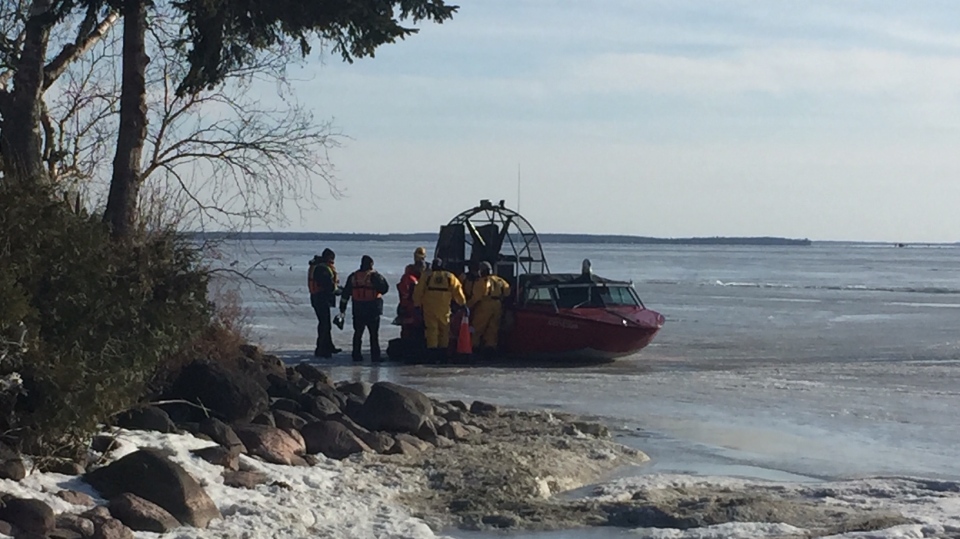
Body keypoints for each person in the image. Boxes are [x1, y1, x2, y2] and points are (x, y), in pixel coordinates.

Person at [413, 258, 465, 362]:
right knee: (444, 329)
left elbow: (418, 291)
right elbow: (457, 291)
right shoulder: (450, 277)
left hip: (430, 307)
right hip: (444, 307)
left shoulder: (427, 276)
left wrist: (417, 305)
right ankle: (443, 354)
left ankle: (432, 354)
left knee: (432, 330)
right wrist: (462, 304)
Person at [339, 255, 389, 362]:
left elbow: (345, 295)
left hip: (358, 309)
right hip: (372, 309)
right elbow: (385, 288)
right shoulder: (375, 276)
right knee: (373, 335)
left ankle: (356, 355)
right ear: (371, 264)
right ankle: (375, 356)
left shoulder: (353, 277)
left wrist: (342, 309)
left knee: (358, 333)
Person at [467, 261, 511, 355]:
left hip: (485, 304)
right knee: (493, 328)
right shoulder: (499, 280)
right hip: (498, 305)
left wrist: (467, 306)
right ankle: (490, 349)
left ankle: (474, 347)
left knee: (477, 327)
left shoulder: (482, 281)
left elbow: (477, 297)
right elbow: (507, 291)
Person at [308, 248, 340, 357]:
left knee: (326, 323)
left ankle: (329, 346)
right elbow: (327, 285)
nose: (333, 262)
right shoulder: (322, 269)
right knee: (324, 324)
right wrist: (337, 291)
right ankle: (321, 349)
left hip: (319, 297)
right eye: (332, 259)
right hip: (320, 298)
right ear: (328, 258)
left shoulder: (319, 266)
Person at [397, 259, 427, 342]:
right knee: (411, 329)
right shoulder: (411, 279)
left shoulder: (408, 277)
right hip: (410, 308)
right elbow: (413, 294)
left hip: (406, 306)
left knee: (408, 329)